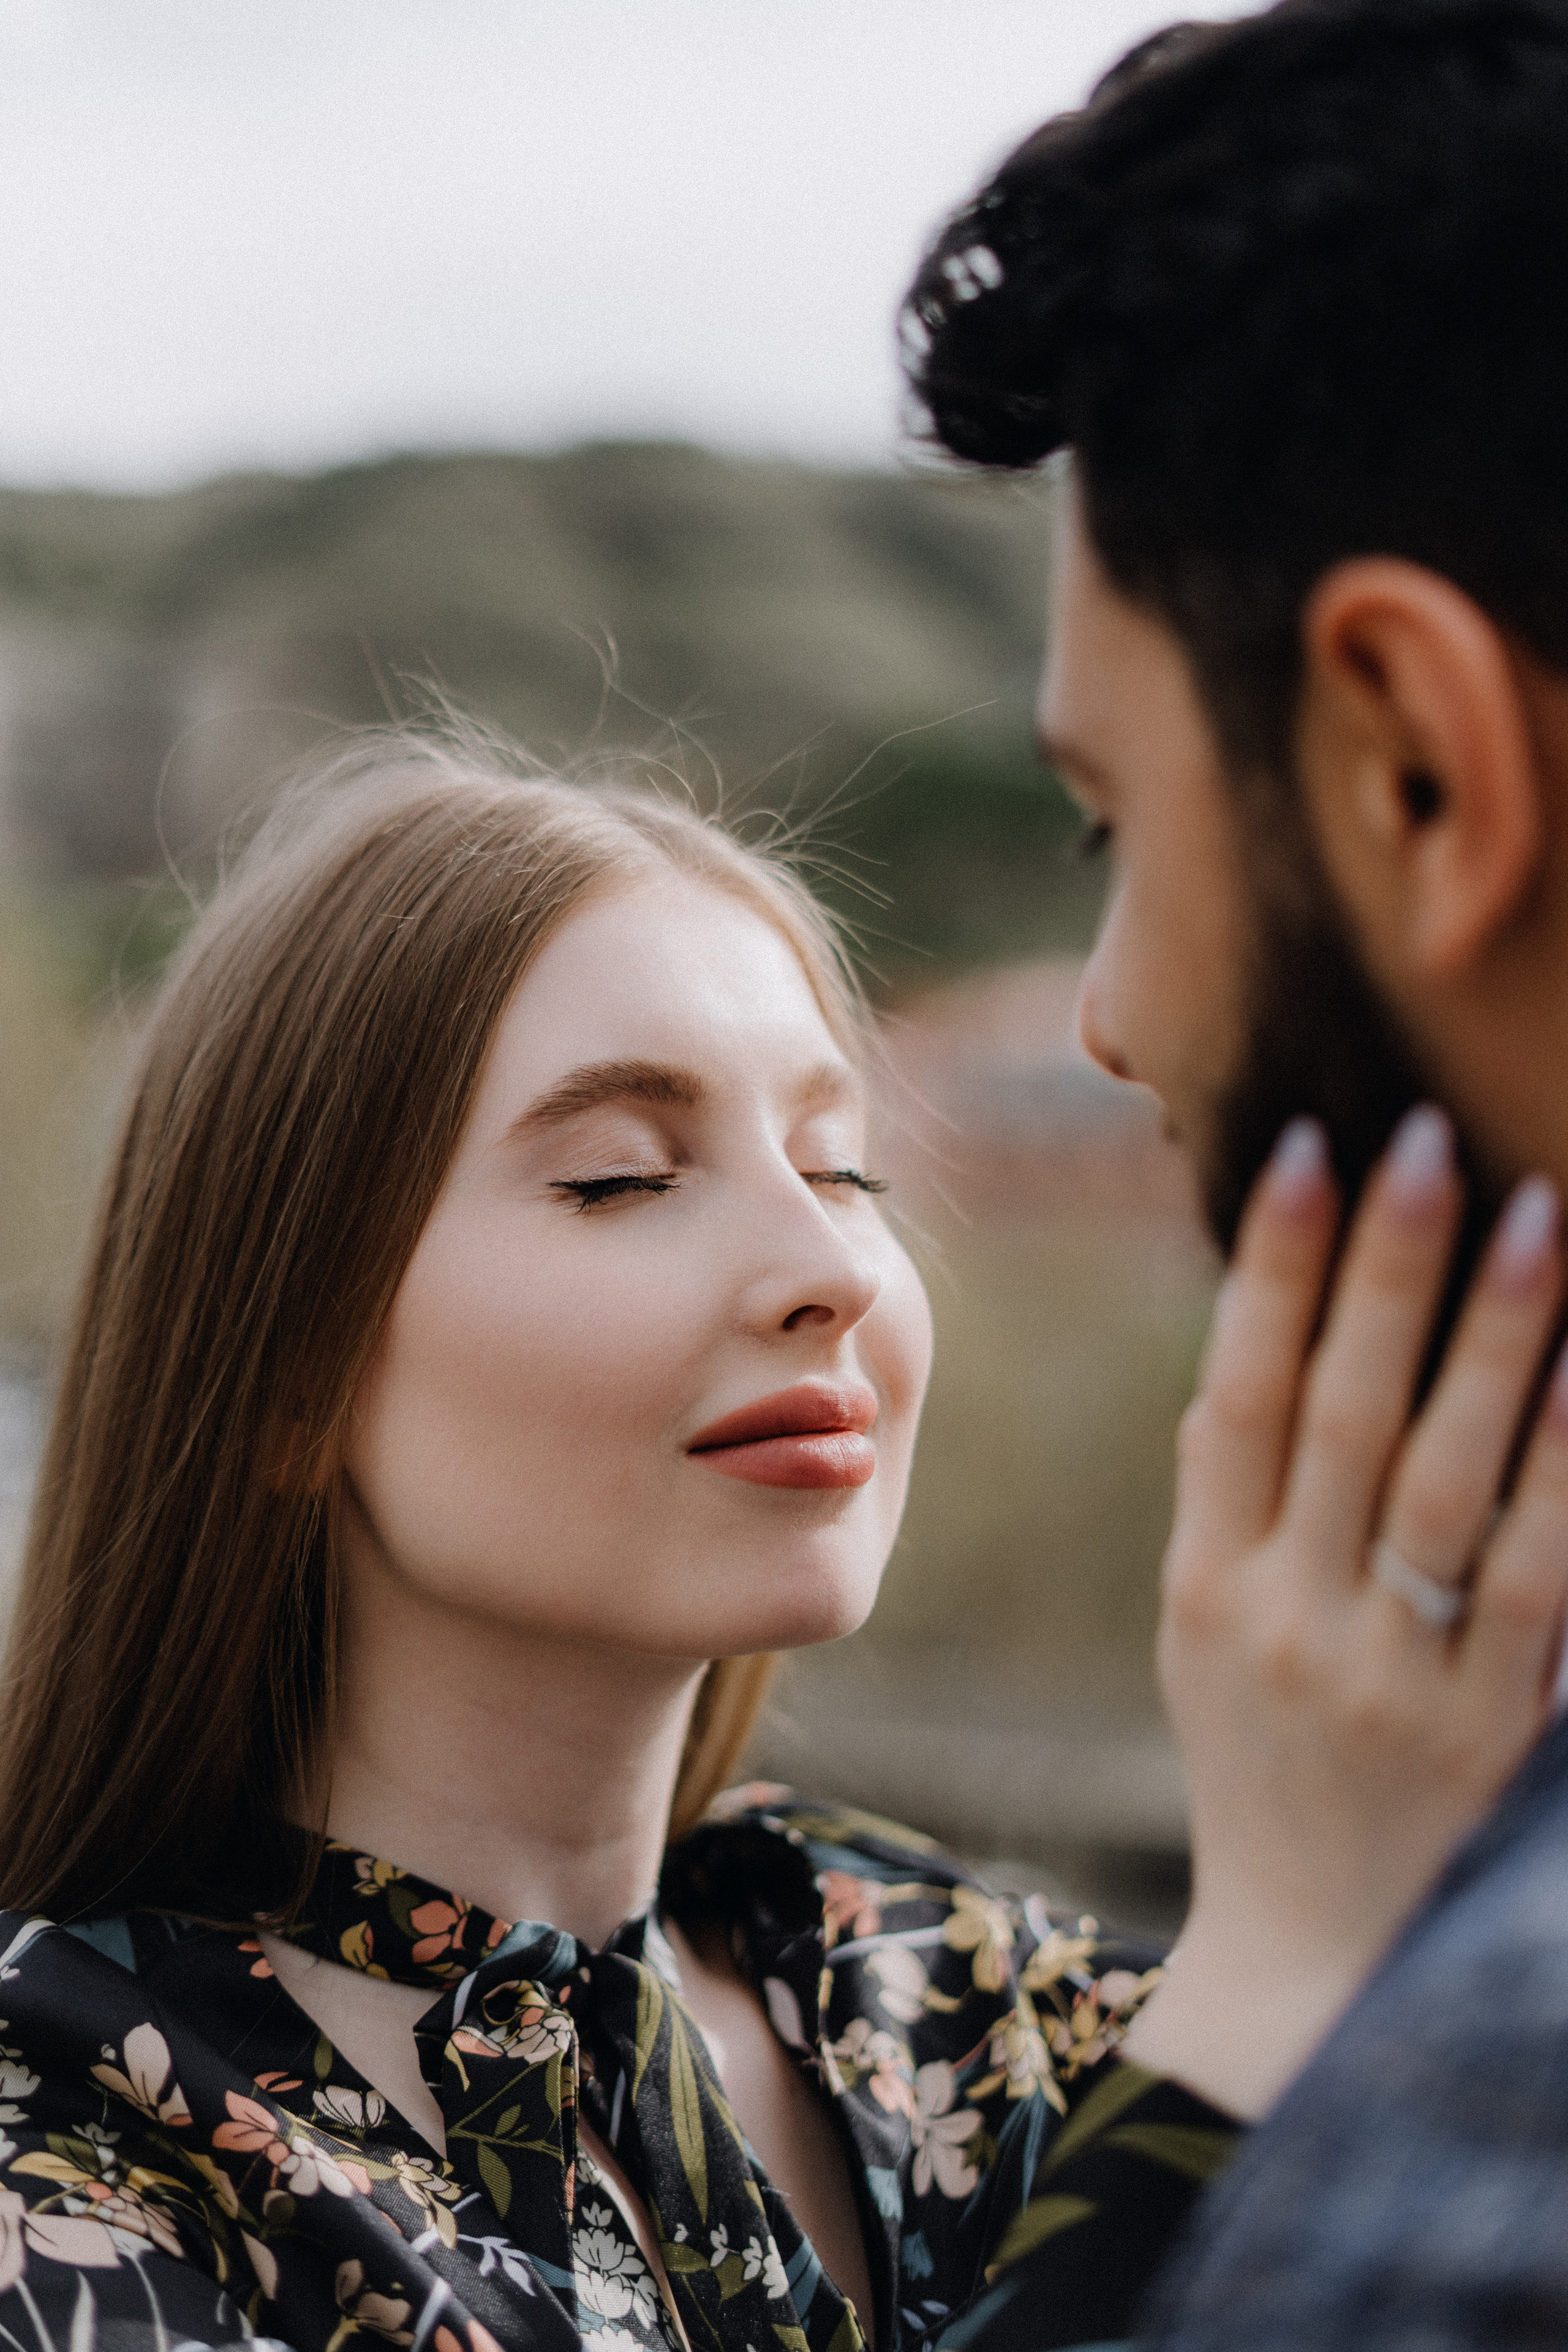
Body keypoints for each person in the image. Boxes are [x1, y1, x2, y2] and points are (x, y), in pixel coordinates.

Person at [902, 0, 1568, 2343]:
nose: (1104, 1019)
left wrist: (1286, 1956)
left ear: (1416, 770)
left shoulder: (1501, 2110)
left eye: (1118, 823)